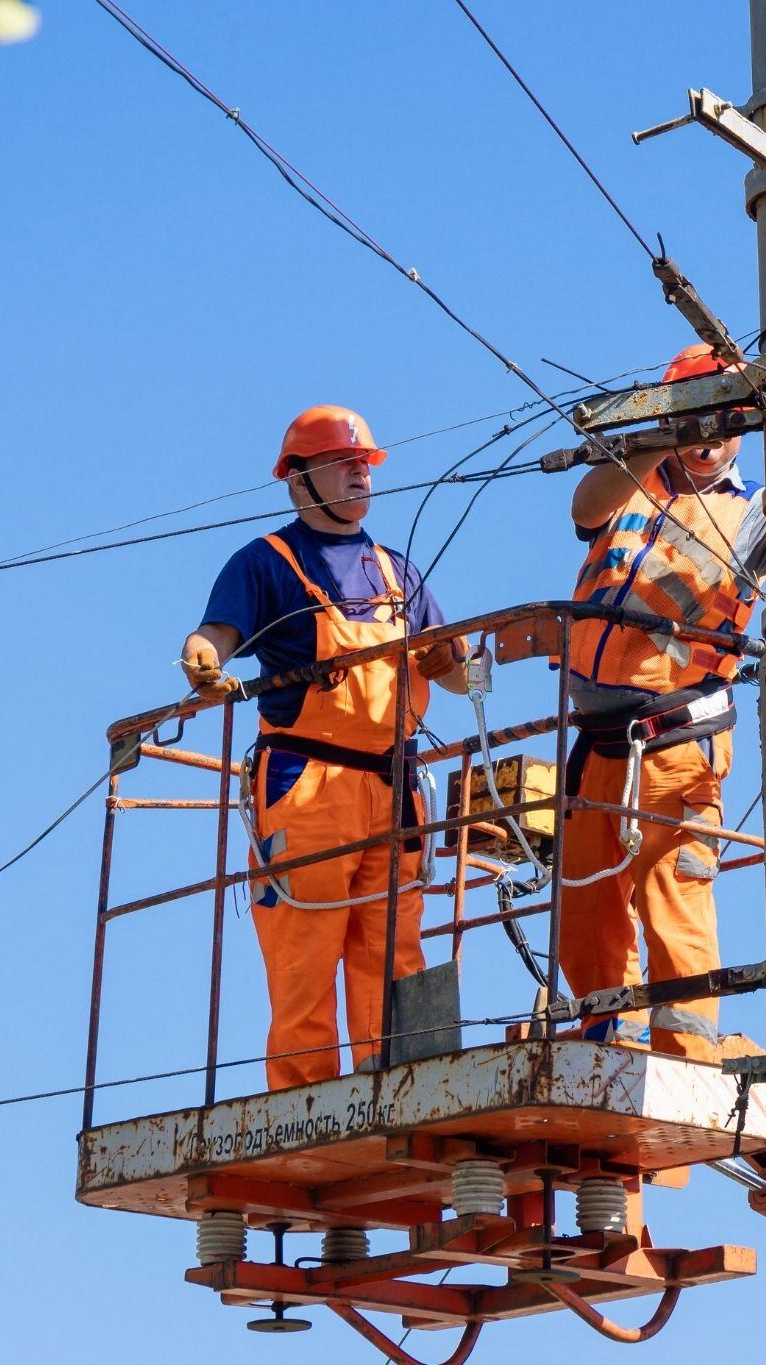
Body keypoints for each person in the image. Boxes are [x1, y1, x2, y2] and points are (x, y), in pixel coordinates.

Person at [182, 405, 467, 1090]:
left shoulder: (399, 574)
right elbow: (215, 639)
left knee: (391, 949)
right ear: (298, 480)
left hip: (391, 790)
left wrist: (463, 657)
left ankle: (392, 1091)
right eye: (344, 461)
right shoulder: (267, 564)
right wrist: (202, 660)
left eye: (363, 460)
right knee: (304, 953)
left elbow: (454, 675)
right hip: (306, 785)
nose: (359, 470)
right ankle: (307, 1103)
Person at [556, 344, 765, 1062]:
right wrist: (656, 437)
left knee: (676, 903)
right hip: (597, 745)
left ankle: (689, 1059)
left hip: (676, 741)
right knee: (584, 912)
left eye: (723, 416)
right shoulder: (629, 482)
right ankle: (606, 1041)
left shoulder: (759, 513)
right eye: (694, 414)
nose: (708, 435)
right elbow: (583, 506)